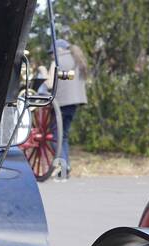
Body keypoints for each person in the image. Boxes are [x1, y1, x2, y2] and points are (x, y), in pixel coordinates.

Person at [51, 37, 88, 179]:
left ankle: (64, 165)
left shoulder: (58, 61)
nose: (51, 55)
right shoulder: (77, 60)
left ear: (59, 50)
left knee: (56, 137)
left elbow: (52, 83)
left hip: (61, 103)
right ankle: (65, 167)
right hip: (74, 103)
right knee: (64, 135)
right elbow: (70, 80)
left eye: (52, 52)